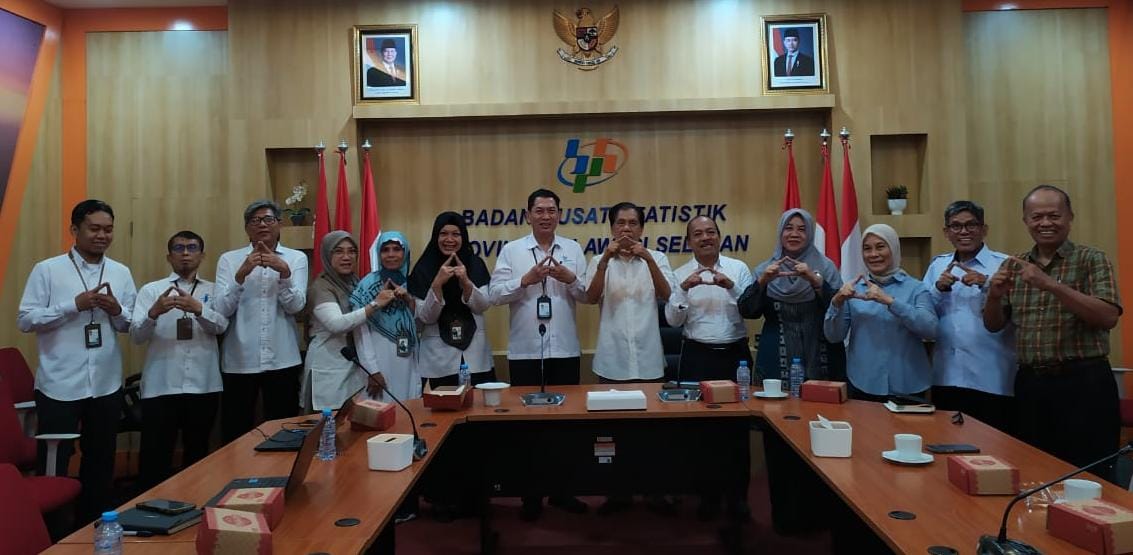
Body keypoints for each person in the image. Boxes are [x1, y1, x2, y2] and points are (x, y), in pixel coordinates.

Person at [983, 185, 1121, 482]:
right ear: (1026, 221)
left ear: (1070, 217)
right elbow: (994, 325)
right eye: (1037, 217)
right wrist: (993, 296)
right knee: (1034, 472)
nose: (1045, 223)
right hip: (1031, 384)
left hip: (1084, 383)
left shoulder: (1092, 259)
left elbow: (1108, 316)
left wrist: (1051, 285)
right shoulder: (1013, 264)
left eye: (1054, 215)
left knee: (1090, 474)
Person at [17, 199, 137, 522]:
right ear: (74, 229)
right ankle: (52, 530)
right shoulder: (48, 270)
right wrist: (73, 305)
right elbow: (26, 320)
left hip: (106, 382)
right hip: (59, 383)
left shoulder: (121, 272)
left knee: (101, 459)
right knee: (54, 461)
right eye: (94, 228)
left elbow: (131, 325)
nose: (102, 236)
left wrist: (117, 310)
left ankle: (92, 524)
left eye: (108, 229)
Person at [489, 188, 589, 520]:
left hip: (565, 350)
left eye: (551, 210)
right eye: (539, 210)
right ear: (528, 215)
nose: (546, 216)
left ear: (560, 214)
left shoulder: (572, 249)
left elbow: (588, 295)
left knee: (566, 426)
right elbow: (494, 295)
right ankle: (530, 496)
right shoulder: (512, 250)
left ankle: (563, 491)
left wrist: (570, 278)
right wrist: (524, 280)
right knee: (528, 427)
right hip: (526, 352)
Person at [583, 201, 675, 516]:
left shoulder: (657, 258)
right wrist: (604, 262)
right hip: (613, 360)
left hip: (649, 360)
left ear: (641, 228)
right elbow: (590, 297)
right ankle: (617, 493)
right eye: (620, 223)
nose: (626, 229)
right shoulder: (598, 260)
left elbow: (667, 295)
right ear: (611, 228)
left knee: (652, 434)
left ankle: (654, 492)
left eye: (632, 223)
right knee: (612, 433)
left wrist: (647, 258)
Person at [663, 215, 753, 522]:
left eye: (710, 232)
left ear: (719, 236)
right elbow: (673, 320)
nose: (705, 238)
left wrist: (732, 288)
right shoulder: (680, 274)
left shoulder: (738, 269)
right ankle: (707, 497)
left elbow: (750, 310)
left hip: (734, 357)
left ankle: (738, 498)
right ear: (689, 241)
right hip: (697, 356)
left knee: (737, 432)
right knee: (701, 433)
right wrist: (683, 291)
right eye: (698, 234)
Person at [130, 231, 226, 489]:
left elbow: (222, 326)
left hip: (203, 385)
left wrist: (200, 310)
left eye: (192, 248)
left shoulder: (214, 290)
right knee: (155, 456)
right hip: (161, 385)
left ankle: (194, 502)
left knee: (198, 453)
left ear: (202, 256)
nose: (185, 253)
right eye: (179, 248)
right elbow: (136, 336)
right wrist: (153, 313)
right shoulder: (152, 290)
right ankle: (149, 503)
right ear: (169, 256)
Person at [213, 200, 308, 443]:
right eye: (255, 221)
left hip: (282, 358)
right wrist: (241, 274)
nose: (262, 225)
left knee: (284, 429)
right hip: (239, 359)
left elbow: (296, 306)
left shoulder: (296, 258)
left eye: (268, 219)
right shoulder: (229, 259)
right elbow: (221, 310)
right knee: (235, 431)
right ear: (247, 228)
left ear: (279, 224)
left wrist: (284, 273)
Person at [923, 201, 1016, 434]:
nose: (963, 231)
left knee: (994, 448)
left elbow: (1018, 310)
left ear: (984, 229)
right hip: (946, 375)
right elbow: (923, 314)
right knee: (946, 444)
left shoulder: (1003, 264)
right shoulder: (937, 266)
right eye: (956, 226)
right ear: (946, 232)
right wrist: (938, 289)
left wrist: (987, 285)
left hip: (991, 377)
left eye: (971, 225)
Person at [824, 224, 937, 401]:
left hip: (908, 384)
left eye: (880, 247)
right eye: (867, 249)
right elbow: (834, 336)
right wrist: (837, 302)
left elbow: (930, 330)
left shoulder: (916, 288)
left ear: (893, 248)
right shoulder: (853, 289)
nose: (873, 254)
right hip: (863, 383)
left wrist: (890, 301)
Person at [739, 208, 845, 382]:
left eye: (802, 229)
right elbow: (748, 311)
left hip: (820, 353)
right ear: (780, 232)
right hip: (776, 354)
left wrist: (815, 281)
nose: (794, 234)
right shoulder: (765, 269)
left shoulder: (826, 268)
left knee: (820, 398)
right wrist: (762, 282)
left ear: (809, 234)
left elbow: (840, 310)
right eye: (788, 228)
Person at [407, 212, 495, 389]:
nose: (449, 239)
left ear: (463, 237)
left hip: (475, 357)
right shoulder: (423, 268)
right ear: (435, 236)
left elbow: (483, 305)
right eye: (443, 233)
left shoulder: (475, 264)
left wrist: (466, 282)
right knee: (443, 405)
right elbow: (426, 317)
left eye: (455, 234)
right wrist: (437, 284)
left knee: (479, 404)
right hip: (438, 360)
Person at [301, 231, 384, 412]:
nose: (346, 257)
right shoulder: (321, 287)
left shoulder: (355, 283)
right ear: (327, 255)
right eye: (338, 251)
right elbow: (336, 324)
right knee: (328, 425)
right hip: (327, 368)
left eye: (351, 251)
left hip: (352, 368)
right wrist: (375, 304)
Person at [351, 231, 421, 403]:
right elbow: (360, 332)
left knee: (408, 406)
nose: (391, 254)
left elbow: (423, 323)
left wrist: (409, 301)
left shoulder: (414, 283)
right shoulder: (367, 284)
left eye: (396, 249)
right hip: (379, 360)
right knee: (381, 408)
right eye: (385, 250)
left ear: (405, 253)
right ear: (378, 254)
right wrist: (372, 370)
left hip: (408, 359)